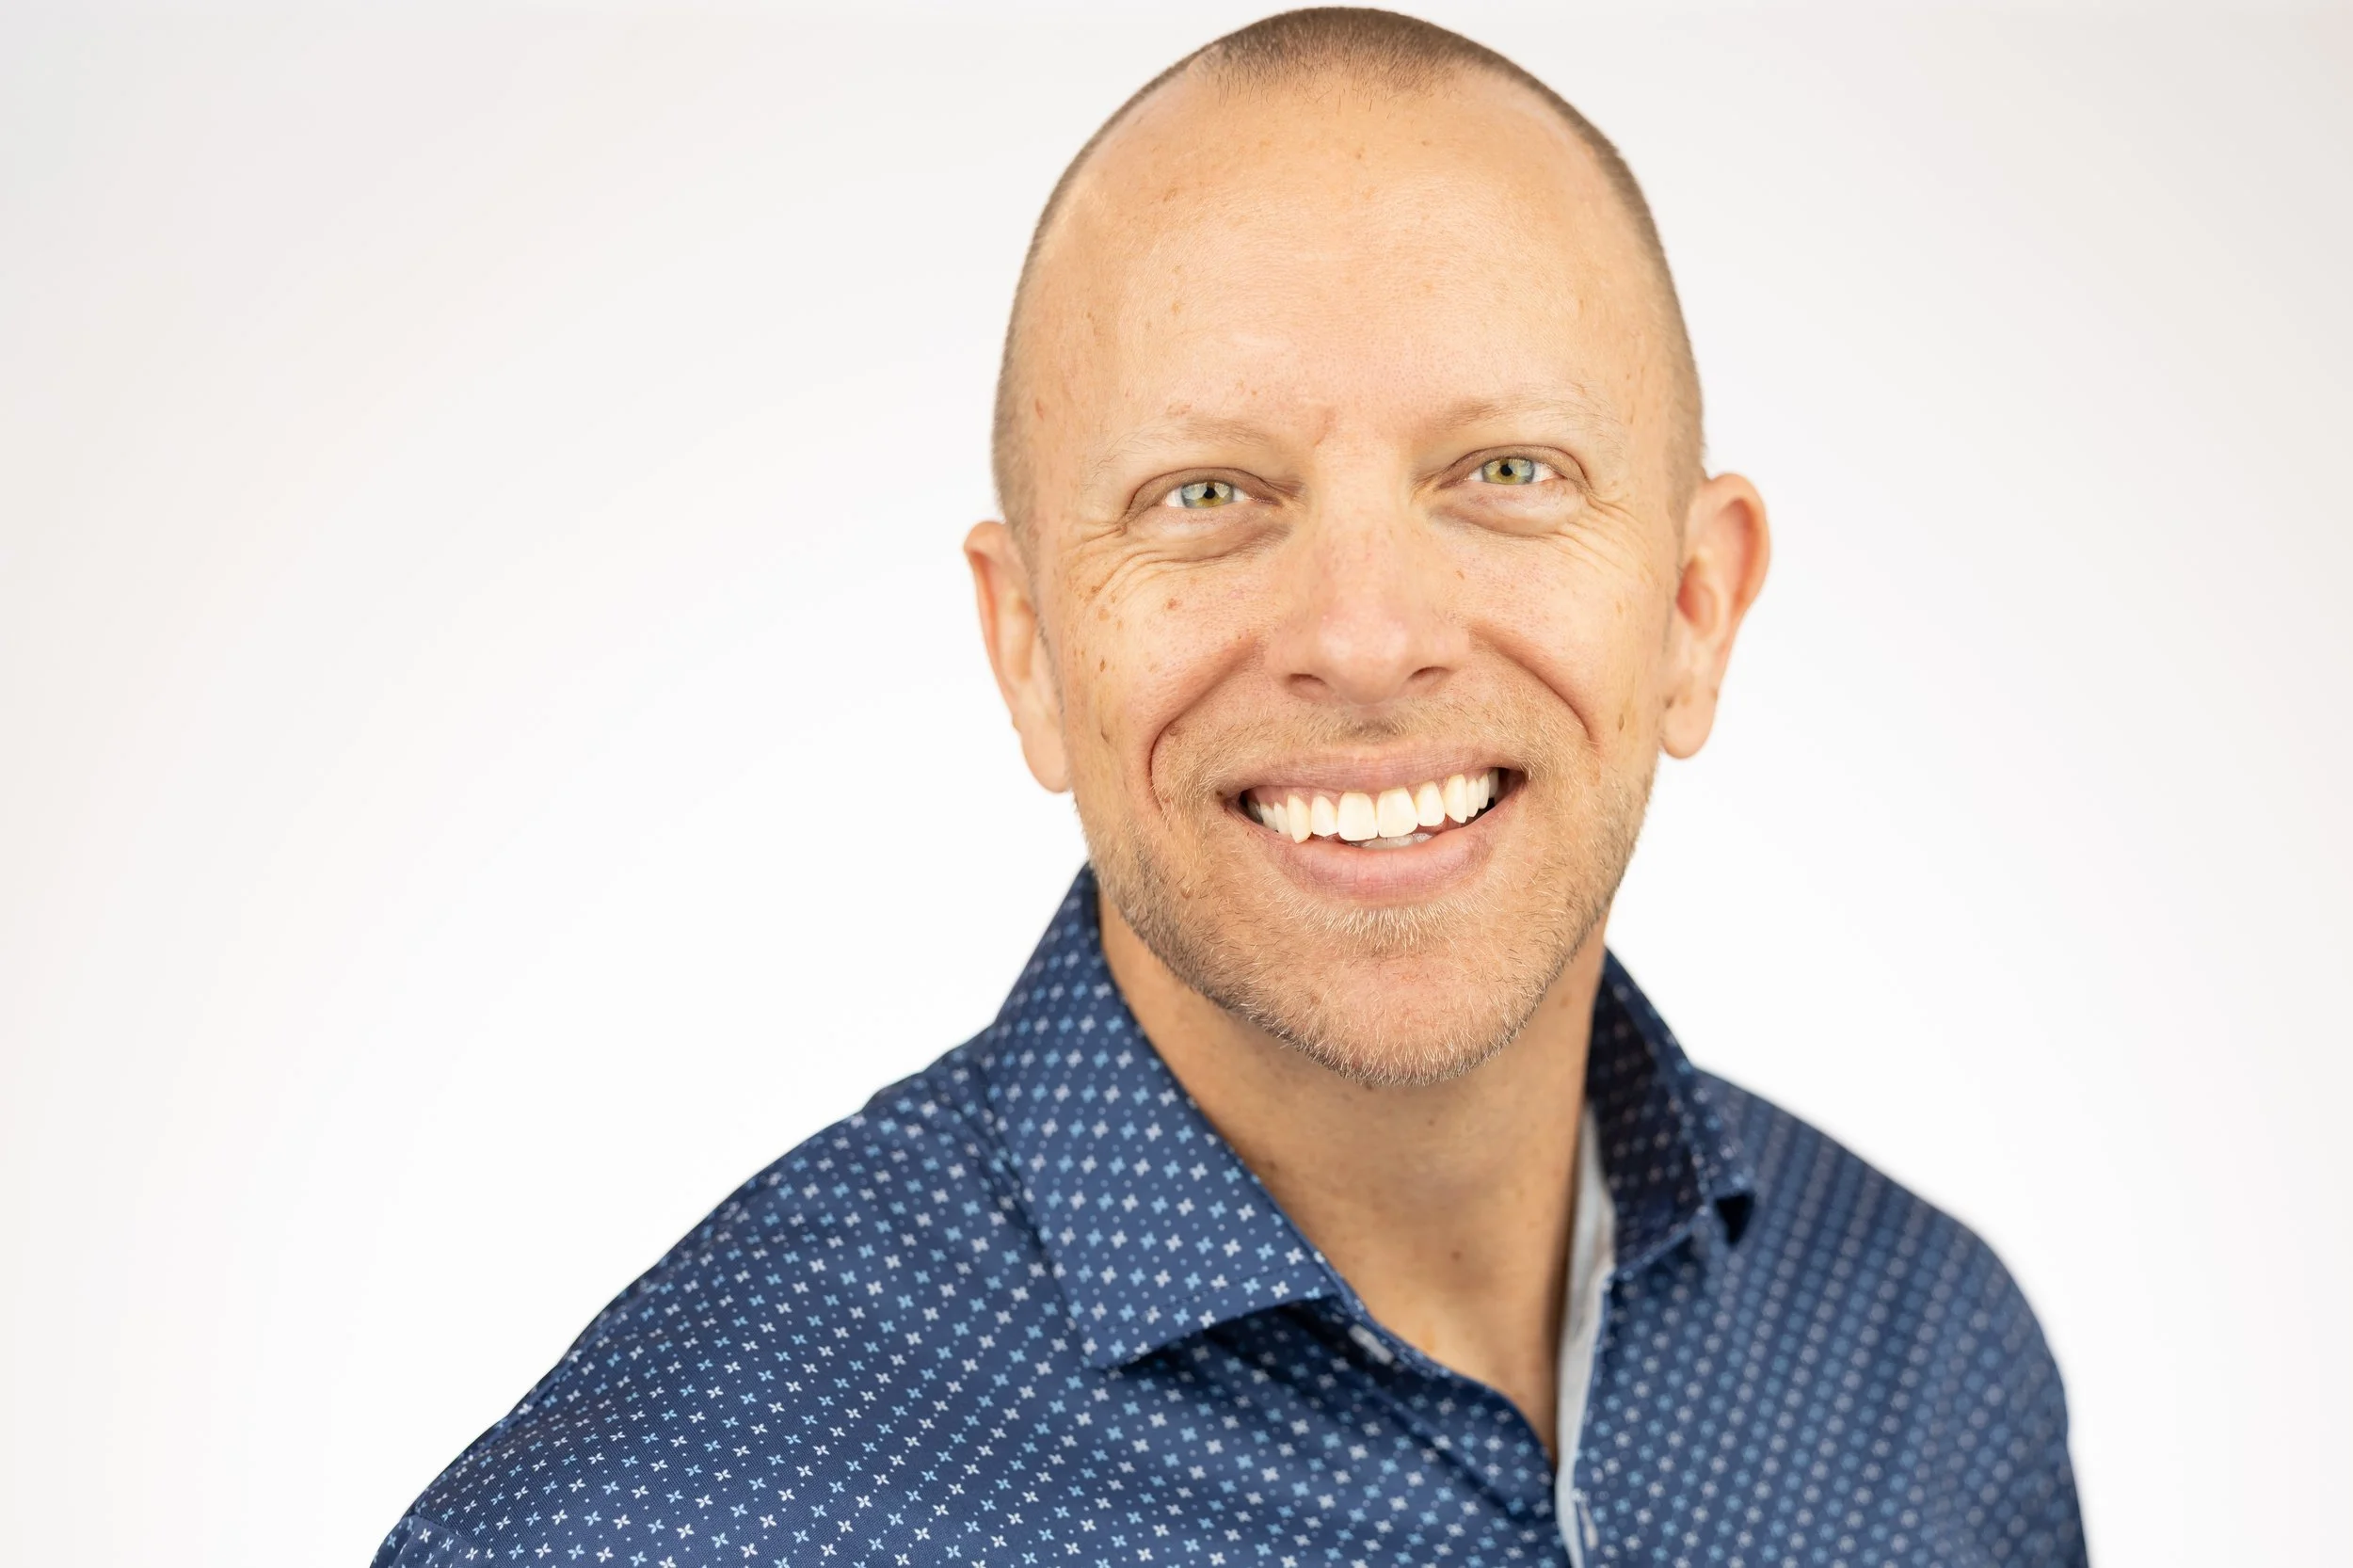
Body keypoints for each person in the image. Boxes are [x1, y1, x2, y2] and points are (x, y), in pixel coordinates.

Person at [374, 10, 2085, 1565]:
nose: (1364, 635)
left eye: (1505, 471)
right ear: (1031, 648)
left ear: (1697, 610)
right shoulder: (651, 1524)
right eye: (1207, 493)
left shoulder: (1928, 1364)